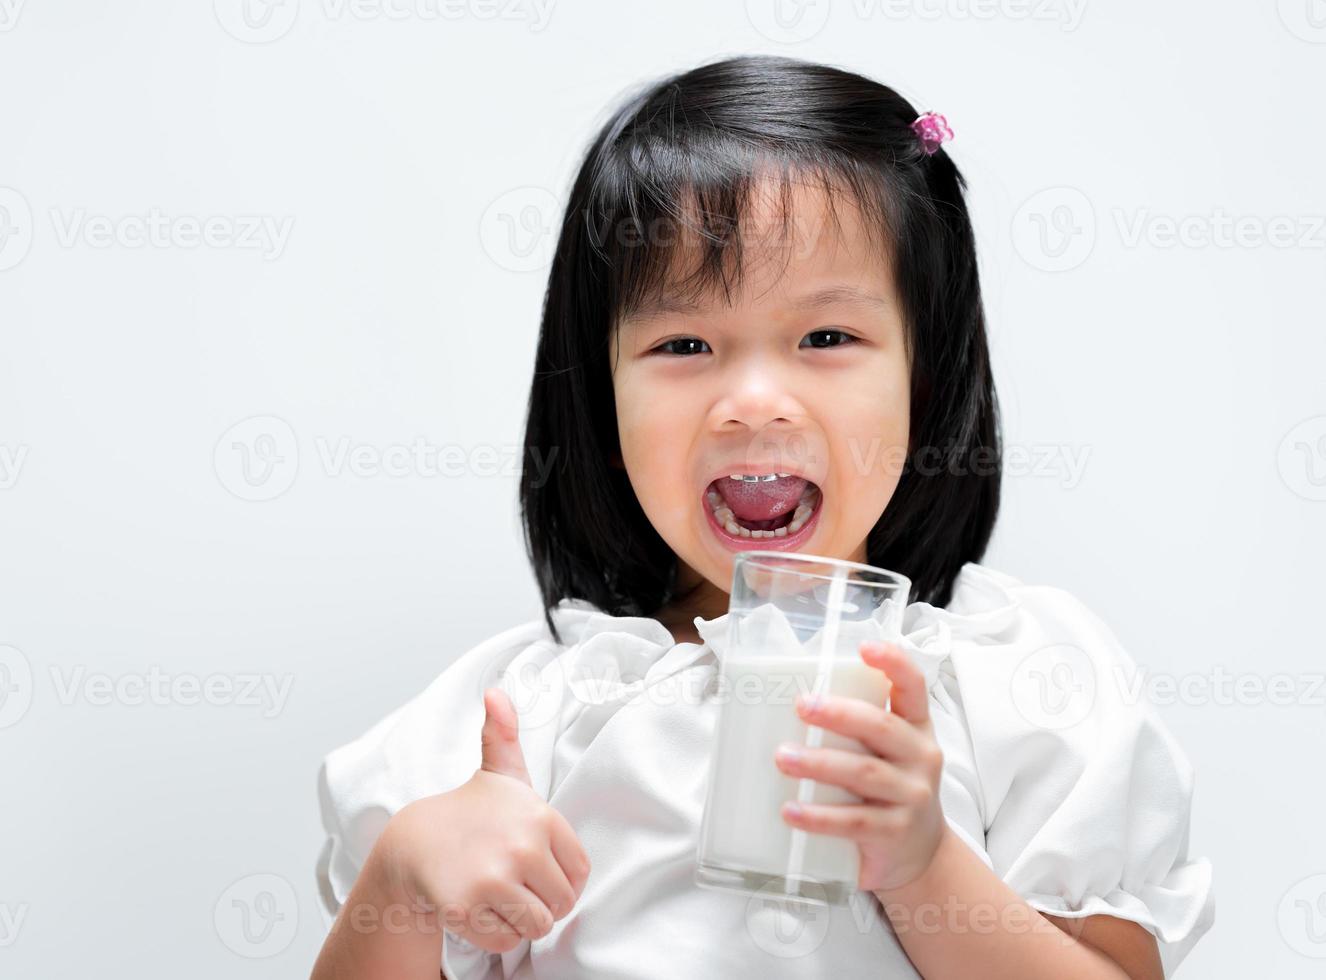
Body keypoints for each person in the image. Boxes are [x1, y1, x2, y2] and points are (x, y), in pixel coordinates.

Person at [308, 54, 1214, 979]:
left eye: (826, 337)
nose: (751, 401)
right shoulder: (516, 722)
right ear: (601, 402)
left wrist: (923, 866)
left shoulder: (1019, 684)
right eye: (683, 343)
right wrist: (401, 886)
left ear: (922, 377)